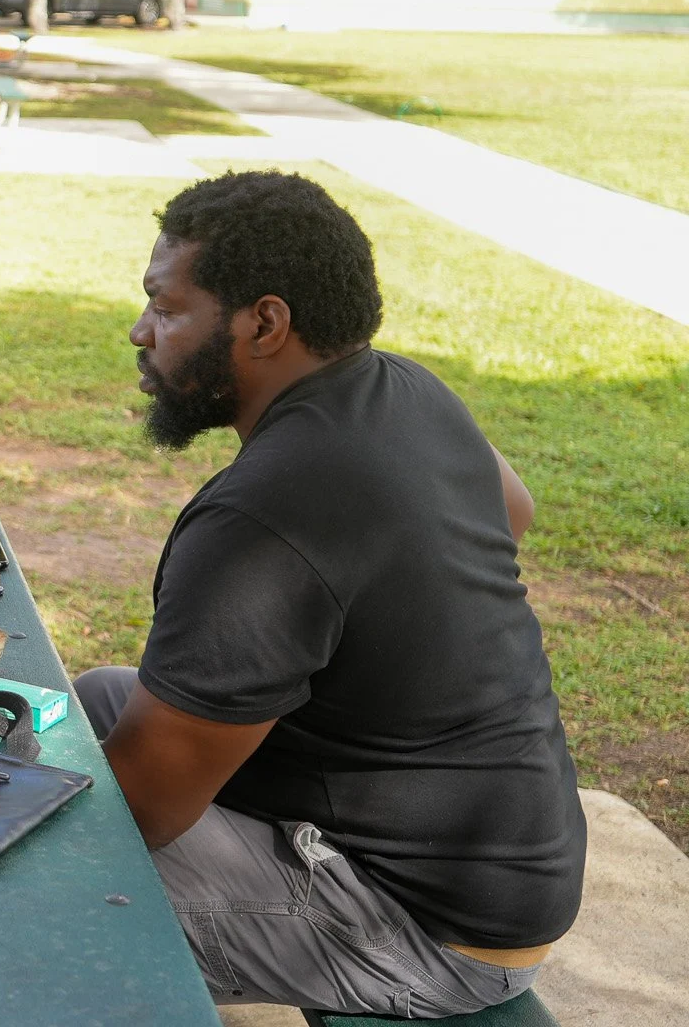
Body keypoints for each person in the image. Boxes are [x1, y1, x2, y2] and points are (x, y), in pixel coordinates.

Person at [81, 170, 584, 1019]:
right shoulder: (408, 389)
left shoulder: (263, 516)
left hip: (426, 935)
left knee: (57, 875)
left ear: (265, 323)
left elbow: (148, 808)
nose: (141, 332)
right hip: (510, 873)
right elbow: (515, 511)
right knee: (101, 697)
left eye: (166, 309)